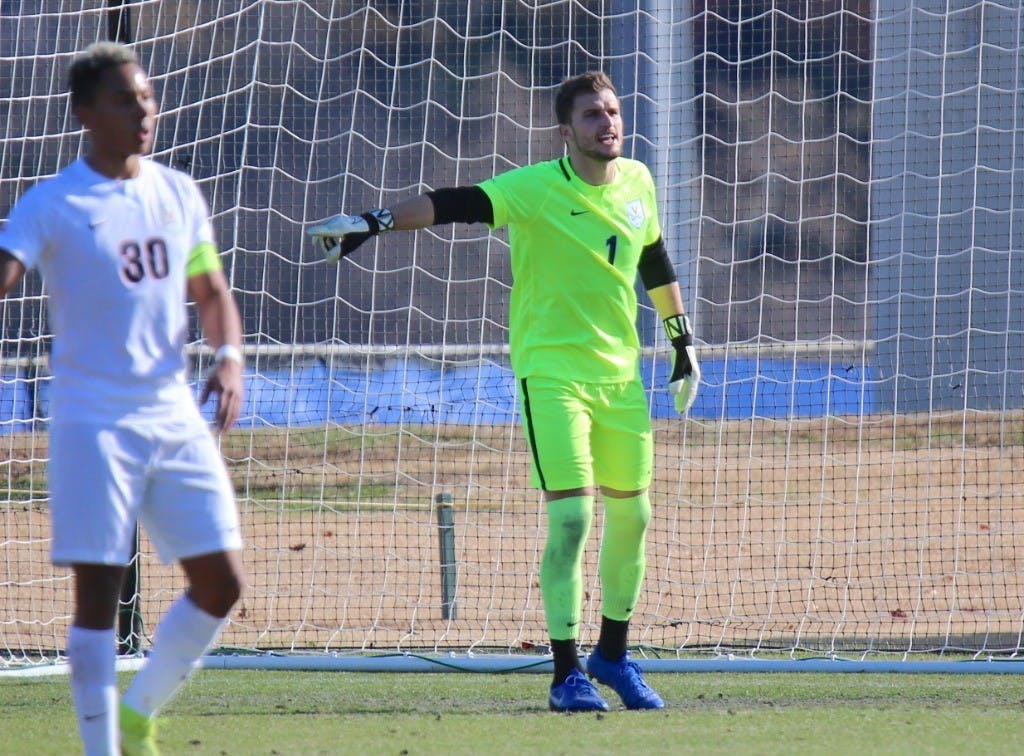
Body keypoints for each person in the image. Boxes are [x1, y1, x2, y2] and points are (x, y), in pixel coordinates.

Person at [308, 71, 700, 712]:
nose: (607, 124)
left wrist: (682, 340)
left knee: (634, 516)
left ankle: (613, 655)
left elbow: (652, 257)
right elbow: (452, 203)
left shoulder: (639, 181)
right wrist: (373, 222)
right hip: (551, 375)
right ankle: (565, 673)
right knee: (573, 516)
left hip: (622, 378)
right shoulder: (536, 188)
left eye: (612, 111)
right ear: (565, 131)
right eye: (591, 116)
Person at [0, 42, 246, 754]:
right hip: (91, 421)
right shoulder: (53, 202)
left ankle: (139, 713)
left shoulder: (176, 192)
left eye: (146, 97)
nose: (143, 111)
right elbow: (7, 270)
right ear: (85, 114)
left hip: (172, 411)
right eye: (124, 100)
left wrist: (228, 359)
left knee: (222, 582)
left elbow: (211, 292)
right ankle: (102, 748)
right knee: (99, 596)